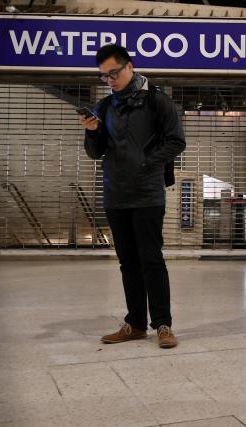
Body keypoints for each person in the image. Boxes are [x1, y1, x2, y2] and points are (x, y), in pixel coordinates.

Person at [79, 44, 186, 349]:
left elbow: (177, 141)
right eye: (104, 76)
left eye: (114, 73)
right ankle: (136, 324)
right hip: (115, 194)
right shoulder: (104, 107)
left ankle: (163, 325)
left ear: (129, 66)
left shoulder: (156, 100)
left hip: (148, 194)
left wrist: (147, 162)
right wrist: (91, 132)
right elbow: (94, 153)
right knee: (128, 262)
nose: (110, 80)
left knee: (151, 260)